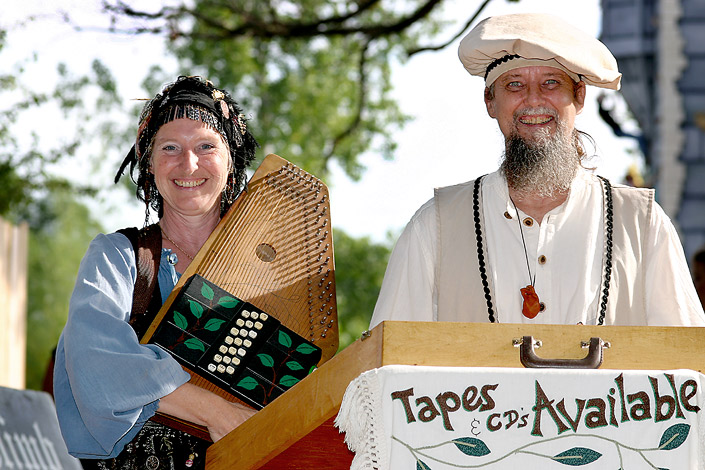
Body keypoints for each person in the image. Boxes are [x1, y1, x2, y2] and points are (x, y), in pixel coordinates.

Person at [370, 13, 705, 328]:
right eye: (514, 84)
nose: (532, 99)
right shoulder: (435, 227)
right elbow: (386, 366)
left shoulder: (641, 224)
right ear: (490, 101)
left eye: (550, 83)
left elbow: (688, 369)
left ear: (579, 96)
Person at [53, 76, 259, 469]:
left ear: (231, 162)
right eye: (170, 148)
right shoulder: (118, 257)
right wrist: (217, 412)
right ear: (149, 164)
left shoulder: (263, 271)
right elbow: (96, 360)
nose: (189, 163)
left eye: (206, 146)